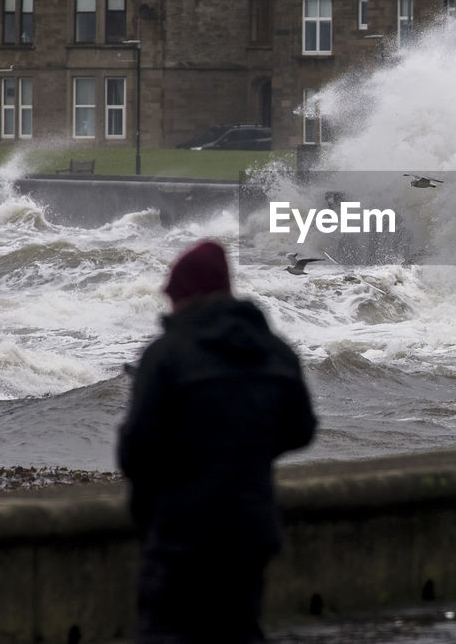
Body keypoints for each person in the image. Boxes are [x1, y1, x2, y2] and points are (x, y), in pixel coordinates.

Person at [118, 239, 317, 643]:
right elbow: (301, 429)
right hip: (250, 532)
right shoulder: (275, 351)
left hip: (180, 534)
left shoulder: (167, 354)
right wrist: (246, 450)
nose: (171, 306)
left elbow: (136, 450)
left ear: (189, 296)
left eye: (174, 296)